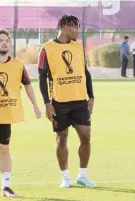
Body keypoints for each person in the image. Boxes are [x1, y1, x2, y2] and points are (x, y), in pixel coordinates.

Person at [38, 15, 96, 188]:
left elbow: (85, 72)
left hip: (80, 101)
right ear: (64, 26)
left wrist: (91, 96)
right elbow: (41, 77)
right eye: (75, 27)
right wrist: (47, 102)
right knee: (61, 137)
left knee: (86, 136)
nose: (77, 31)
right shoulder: (47, 49)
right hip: (59, 102)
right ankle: (65, 177)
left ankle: (83, 175)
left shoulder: (78, 47)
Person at [0, 28, 42, 197]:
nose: (4, 42)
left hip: (3, 110)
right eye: (0, 40)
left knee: (3, 148)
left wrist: (35, 105)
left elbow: (27, 85)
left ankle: (5, 186)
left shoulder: (17, 65)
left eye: (6, 40)